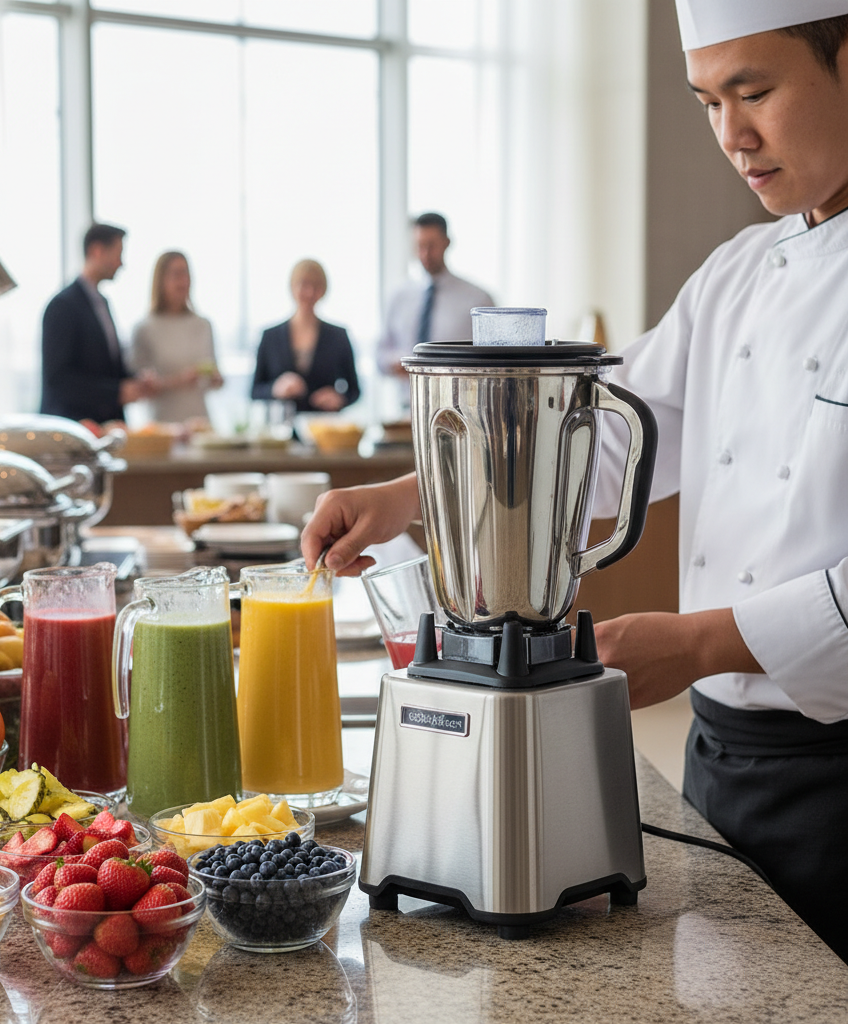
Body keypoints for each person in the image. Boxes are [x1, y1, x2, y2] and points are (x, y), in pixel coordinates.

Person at [302, 2, 848, 963]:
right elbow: (599, 445)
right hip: (721, 760)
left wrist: (705, 640)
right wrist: (412, 497)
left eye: (754, 92)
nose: (732, 135)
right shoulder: (738, 273)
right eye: (708, 102)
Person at [40, 223, 161, 424]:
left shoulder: (102, 304)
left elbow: (105, 368)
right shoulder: (62, 306)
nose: (121, 263)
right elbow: (59, 379)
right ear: (97, 250)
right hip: (75, 430)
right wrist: (117, 392)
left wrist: (133, 382)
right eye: (118, 254)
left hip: (106, 428)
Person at [377, 212, 494, 378]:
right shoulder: (398, 297)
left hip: (458, 400)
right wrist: (396, 363)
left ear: (446, 243)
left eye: (431, 245)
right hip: (406, 401)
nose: (425, 254)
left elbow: (490, 360)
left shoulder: (478, 300)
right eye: (419, 246)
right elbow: (380, 355)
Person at [251, 259, 360, 413]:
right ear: (292, 287)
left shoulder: (339, 336)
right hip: (280, 426)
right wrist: (275, 389)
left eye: (316, 286)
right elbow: (254, 391)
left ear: (324, 290)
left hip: (324, 426)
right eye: (303, 285)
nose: (309, 292)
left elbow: (355, 390)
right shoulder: (270, 336)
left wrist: (339, 398)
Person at [130, 251, 223, 423]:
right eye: (176, 274)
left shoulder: (203, 325)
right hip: (162, 425)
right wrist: (179, 380)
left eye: (186, 273)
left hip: (200, 422)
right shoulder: (145, 328)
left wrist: (215, 378)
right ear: (161, 280)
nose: (183, 281)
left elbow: (214, 378)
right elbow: (140, 387)